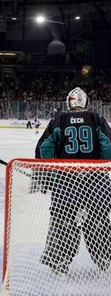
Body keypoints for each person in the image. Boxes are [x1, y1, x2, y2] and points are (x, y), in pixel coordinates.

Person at [35, 87, 111, 277]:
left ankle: (59, 261)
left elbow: (45, 148)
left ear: (69, 102)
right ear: (85, 102)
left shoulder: (59, 119)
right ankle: (104, 258)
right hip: (95, 179)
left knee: (62, 221)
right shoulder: (96, 118)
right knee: (99, 219)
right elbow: (108, 147)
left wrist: (46, 176)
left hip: (66, 181)